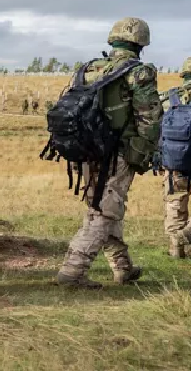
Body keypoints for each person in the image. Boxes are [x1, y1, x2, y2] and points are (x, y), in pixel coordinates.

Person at [56, 17, 162, 289]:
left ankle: (122, 267)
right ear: (141, 43)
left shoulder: (89, 68)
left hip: (86, 149)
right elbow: (149, 119)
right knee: (105, 211)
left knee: (103, 206)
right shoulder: (139, 73)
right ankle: (73, 270)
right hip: (117, 153)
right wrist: (144, 152)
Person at [160, 56, 191, 258]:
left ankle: (176, 249)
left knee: (175, 201)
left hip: (174, 159)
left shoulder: (171, 96)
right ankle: (190, 231)